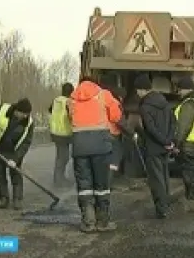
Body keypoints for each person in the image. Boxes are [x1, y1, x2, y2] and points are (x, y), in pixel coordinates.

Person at [70, 76, 122, 233]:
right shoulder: (103, 95)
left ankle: (88, 222)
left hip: (79, 147)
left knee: (84, 185)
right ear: (95, 83)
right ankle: (103, 222)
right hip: (101, 146)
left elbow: (69, 120)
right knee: (102, 184)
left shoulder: (71, 100)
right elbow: (116, 116)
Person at [133, 74, 175, 219]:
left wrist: (162, 140)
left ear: (142, 90)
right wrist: (169, 141)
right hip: (165, 146)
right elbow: (172, 123)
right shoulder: (164, 102)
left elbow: (150, 128)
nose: (137, 93)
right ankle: (166, 203)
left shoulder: (145, 106)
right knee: (164, 176)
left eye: (137, 90)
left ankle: (161, 208)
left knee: (156, 179)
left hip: (153, 147)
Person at [48, 83, 74, 188]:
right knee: (63, 157)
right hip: (64, 132)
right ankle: (59, 180)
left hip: (55, 132)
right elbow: (71, 116)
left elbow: (50, 110)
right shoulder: (68, 102)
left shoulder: (56, 100)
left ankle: (59, 178)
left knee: (61, 156)